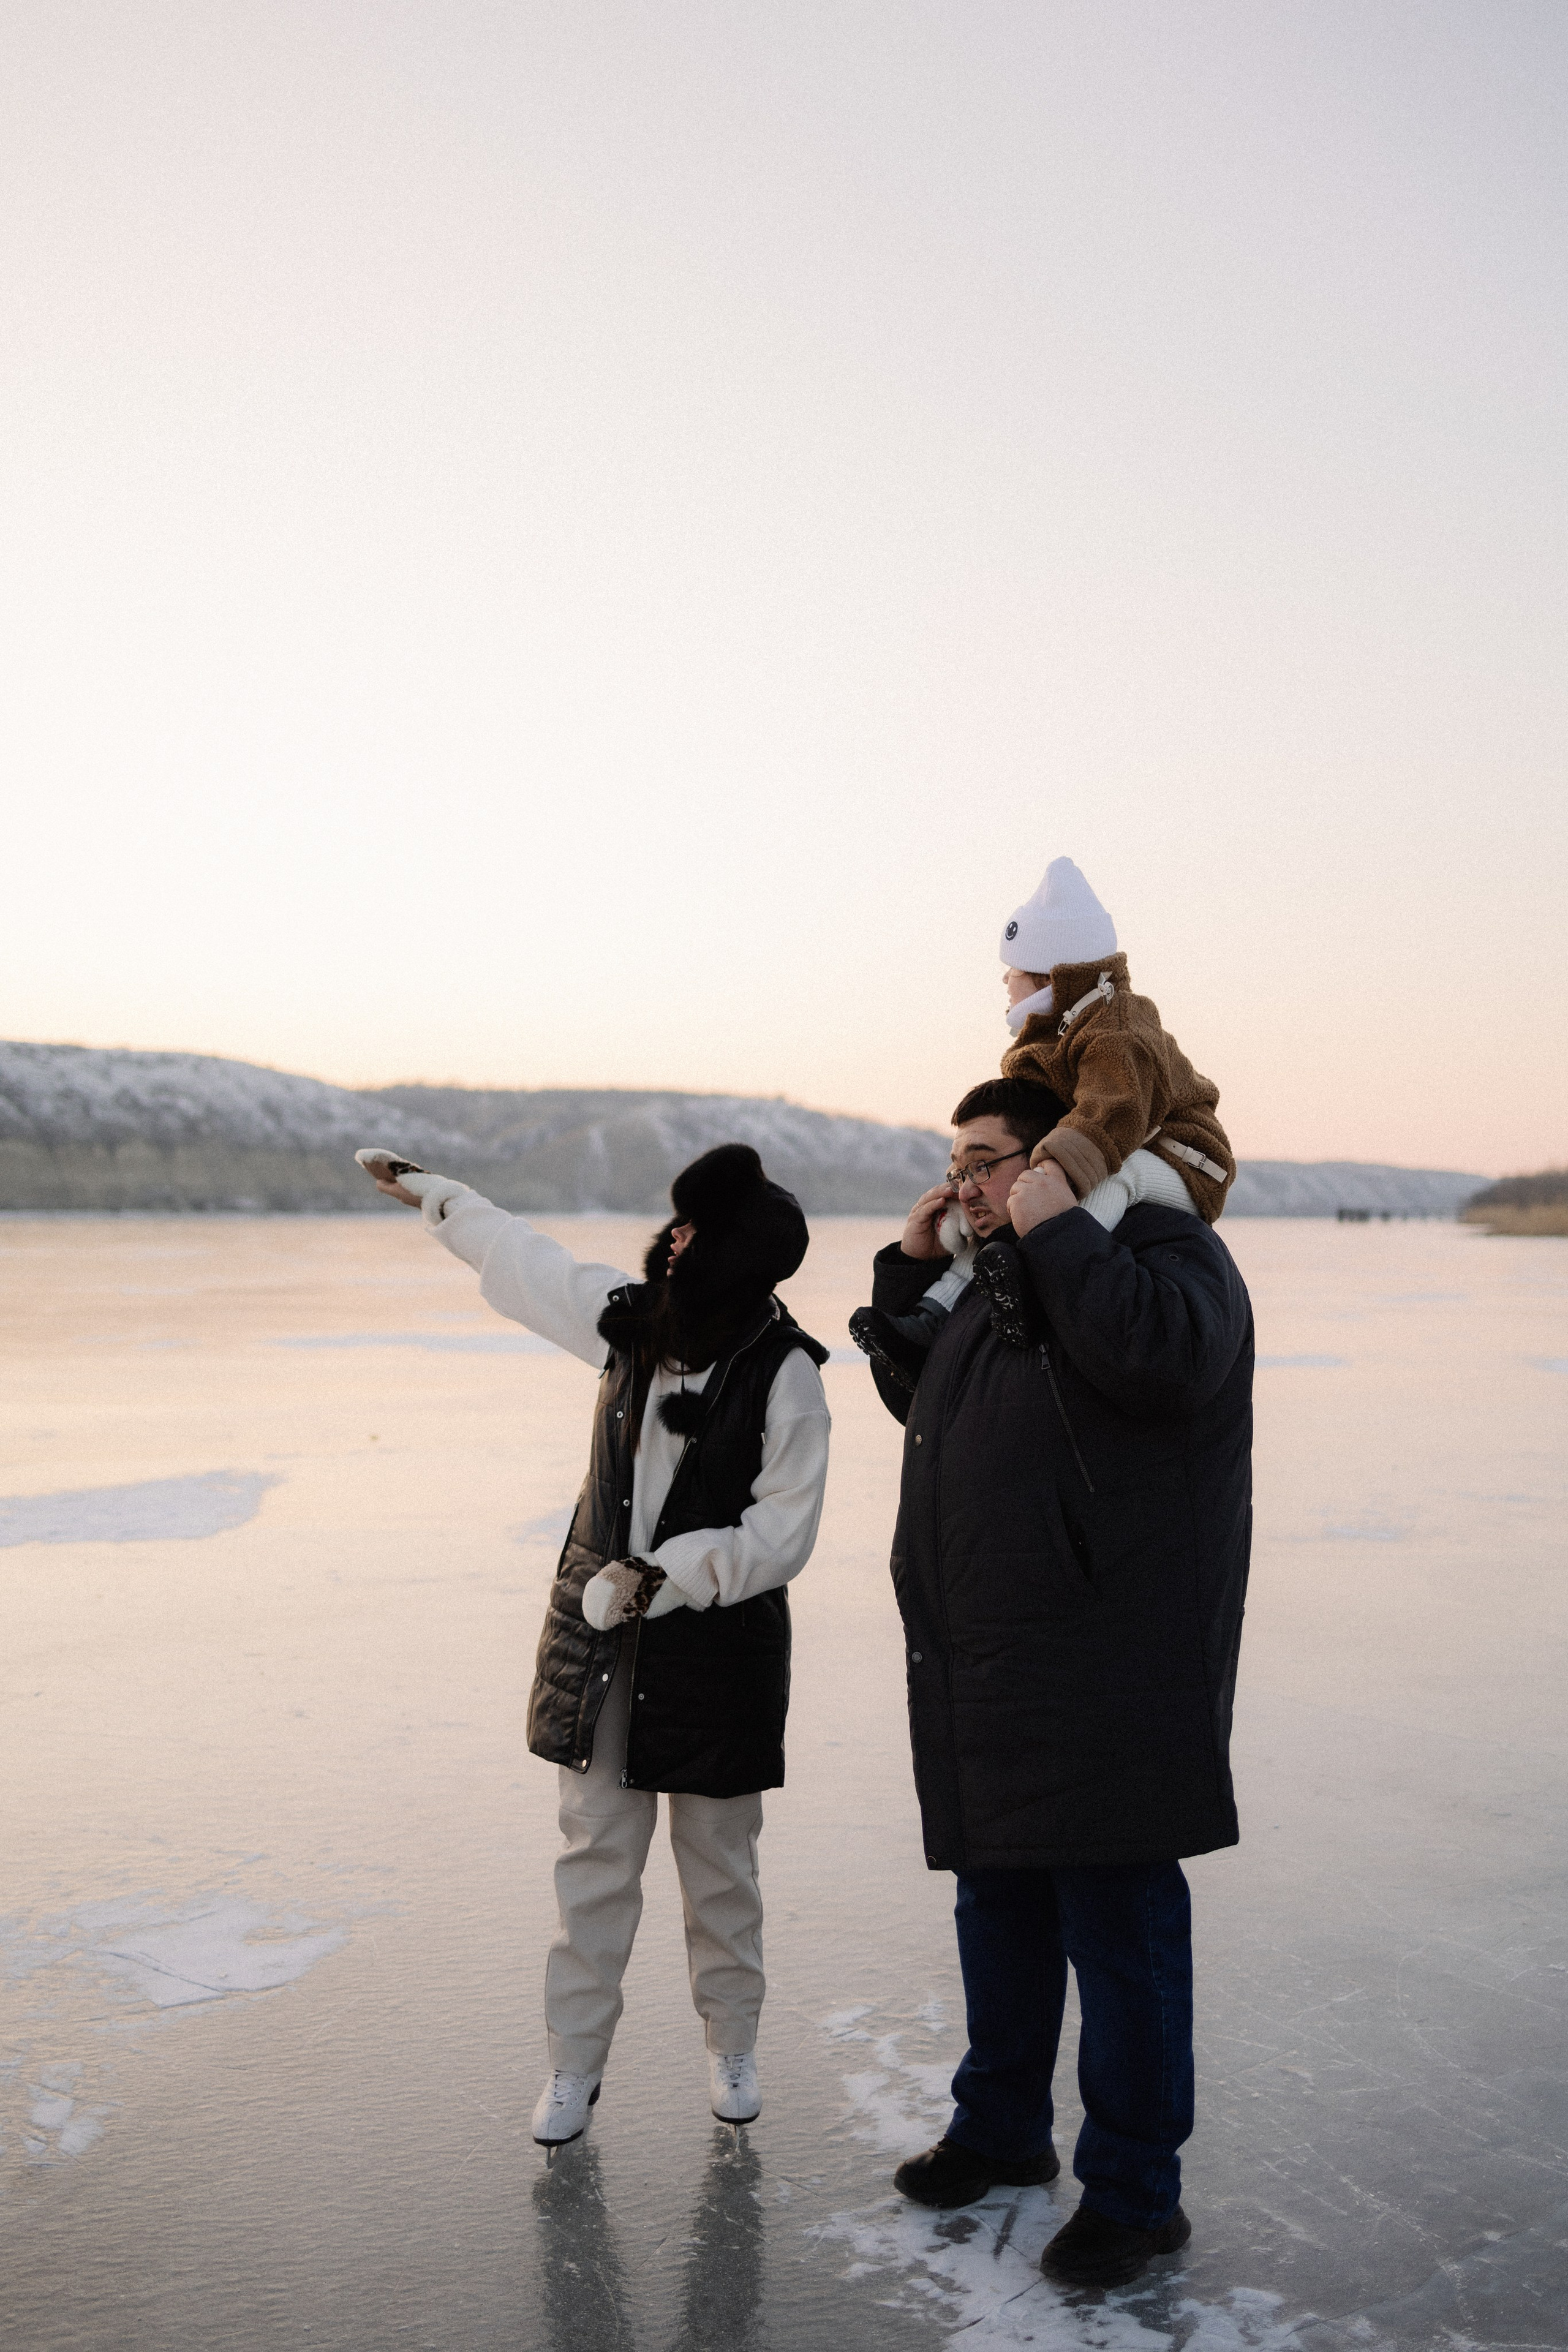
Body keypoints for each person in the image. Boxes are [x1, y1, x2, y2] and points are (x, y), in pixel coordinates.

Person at [357, 1140, 831, 2147]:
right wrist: (442, 1195)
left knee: (720, 1872)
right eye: (681, 1224)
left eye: (699, 1232)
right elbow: (529, 1266)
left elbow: (780, 1533)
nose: (677, 1241)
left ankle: (730, 2044)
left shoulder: (788, 1377)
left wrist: (663, 1578)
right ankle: (574, 2068)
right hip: (602, 1651)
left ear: (738, 1257)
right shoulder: (629, 1327)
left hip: (716, 1656)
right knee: (594, 1866)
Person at [868, 1077, 1253, 2290]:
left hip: (1106, 1668)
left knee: (1118, 1930)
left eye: (985, 1161)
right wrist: (906, 1266)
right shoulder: (1015, 1263)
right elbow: (931, 1398)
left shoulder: (1156, 1244)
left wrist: (1054, 1225)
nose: (961, 1181)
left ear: (1059, 1162)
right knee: (1001, 1915)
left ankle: (1137, 2193)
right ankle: (1001, 2131)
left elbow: (1162, 1359)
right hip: (997, 1663)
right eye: (954, 1159)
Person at [848, 853, 1214, 1391]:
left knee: (1107, 1177)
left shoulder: (1119, 1028)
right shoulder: (1053, 1036)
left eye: (1013, 969)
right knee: (1016, 1202)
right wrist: (953, 1229)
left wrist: (1050, 1181)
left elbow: (1112, 1112)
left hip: (1179, 1157)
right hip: (1119, 1146)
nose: (1004, 979)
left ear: (1048, 975)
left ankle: (1051, 1267)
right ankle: (929, 1317)